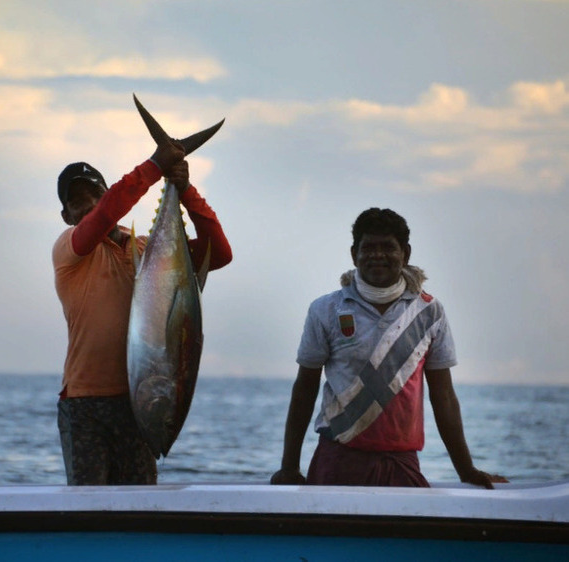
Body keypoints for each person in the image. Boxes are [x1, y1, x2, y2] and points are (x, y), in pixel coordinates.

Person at [271, 208, 507, 489]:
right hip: (337, 460)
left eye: (388, 247)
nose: (377, 255)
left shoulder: (429, 311)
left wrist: (466, 470)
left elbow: (443, 396)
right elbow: (304, 389)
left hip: (401, 463)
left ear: (405, 253)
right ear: (353, 254)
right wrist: (289, 467)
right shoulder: (326, 309)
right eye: (368, 247)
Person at [53, 140, 232, 486]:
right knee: (88, 511)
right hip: (85, 406)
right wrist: (154, 166)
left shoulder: (149, 251)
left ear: (107, 194)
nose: (89, 206)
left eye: (95, 195)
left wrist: (184, 189)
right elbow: (104, 215)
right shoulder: (69, 249)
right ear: (66, 215)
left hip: (140, 404)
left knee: (137, 507)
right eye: (76, 202)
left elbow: (219, 253)